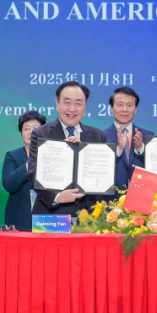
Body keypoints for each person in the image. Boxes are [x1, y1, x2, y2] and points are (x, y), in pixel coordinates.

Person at [27, 81, 108, 216]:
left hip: (88, 217)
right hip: (52, 216)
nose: (72, 109)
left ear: (85, 106)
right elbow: (33, 174)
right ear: (57, 103)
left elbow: (105, 176)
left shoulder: (98, 135)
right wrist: (57, 197)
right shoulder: (41, 134)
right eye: (67, 102)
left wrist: (84, 154)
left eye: (78, 103)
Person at [103, 86, 153, 196]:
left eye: (129, 105)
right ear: (111, 108)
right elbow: (99, 168)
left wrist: (141, 148)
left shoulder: (148, 135)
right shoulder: (101, 136)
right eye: (120, 105)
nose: (124, 109)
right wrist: (119, 150)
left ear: (135, 109)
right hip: (110, 200)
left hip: (141, 198)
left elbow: (155, 166)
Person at [2, 110, 46, 231]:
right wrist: (28, 165)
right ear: (21, 132)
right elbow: (9, 185)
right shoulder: (12, 156)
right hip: (18, 219)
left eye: (36, 128)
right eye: (27, 128)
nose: (31, 132)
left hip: (47, 219)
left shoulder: (52, 155)